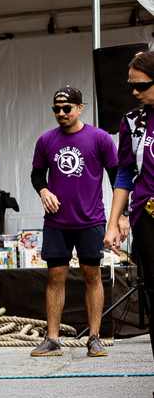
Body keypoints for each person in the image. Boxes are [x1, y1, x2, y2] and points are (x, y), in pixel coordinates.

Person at [30, 86, 117, 359]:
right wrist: (43, 191)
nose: (61, 113)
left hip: (90, 218)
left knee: (92, 274)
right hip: (57, 222)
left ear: (80, 108)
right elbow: (36, 175)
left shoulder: (100, 139)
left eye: (66, 108)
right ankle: (53, 339)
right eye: (56, 109)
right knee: (55, 276)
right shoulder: (46, 140)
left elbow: (117, 178)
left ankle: (94, 338)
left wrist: (120, 217)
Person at [105, 49, 154, 398]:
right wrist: (114, 220)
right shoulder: (132, 120)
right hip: (148, 218)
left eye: (143, 86)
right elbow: (124, 173)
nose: (135, 92)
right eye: (131, 86)